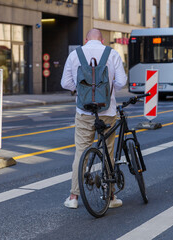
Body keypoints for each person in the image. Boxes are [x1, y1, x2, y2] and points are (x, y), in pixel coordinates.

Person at [61, 28, 127, 209]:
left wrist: (81, 89)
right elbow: (121, 82)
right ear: (102, 40)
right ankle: (111, 196)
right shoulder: (112, 54)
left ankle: (73, 197)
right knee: (108, 151)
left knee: (81, 152)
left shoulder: (75, 55)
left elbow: (65, 83)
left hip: (84, 112)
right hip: (107, 111)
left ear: (85, 39)